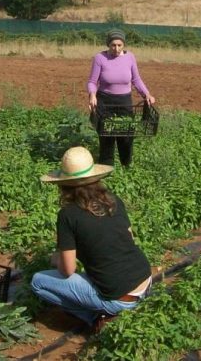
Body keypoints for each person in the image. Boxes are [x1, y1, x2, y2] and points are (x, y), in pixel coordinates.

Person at [31, 146, 152, 332]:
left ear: (63, 185)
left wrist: (56, 259)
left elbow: (68, 270)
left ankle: (95, 319)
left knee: (38, 282)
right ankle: (109, 311)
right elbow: (129, 237)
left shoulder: (68, 215)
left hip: (119, 298)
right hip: (145, 281)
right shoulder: (113, 200)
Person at [87, 28, 156, 167]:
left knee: (126, 136)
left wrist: (147, 94)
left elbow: (136, 79)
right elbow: (92, 82)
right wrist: (92, 94)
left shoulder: (130, 57)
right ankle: (106, 168)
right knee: (106, 136)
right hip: (105, 101)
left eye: (120, 45)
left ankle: (126, 166)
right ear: (108, 44)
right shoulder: (100, 58)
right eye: (113, 45)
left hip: (124, 101)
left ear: (124, 45)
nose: (116, 48)